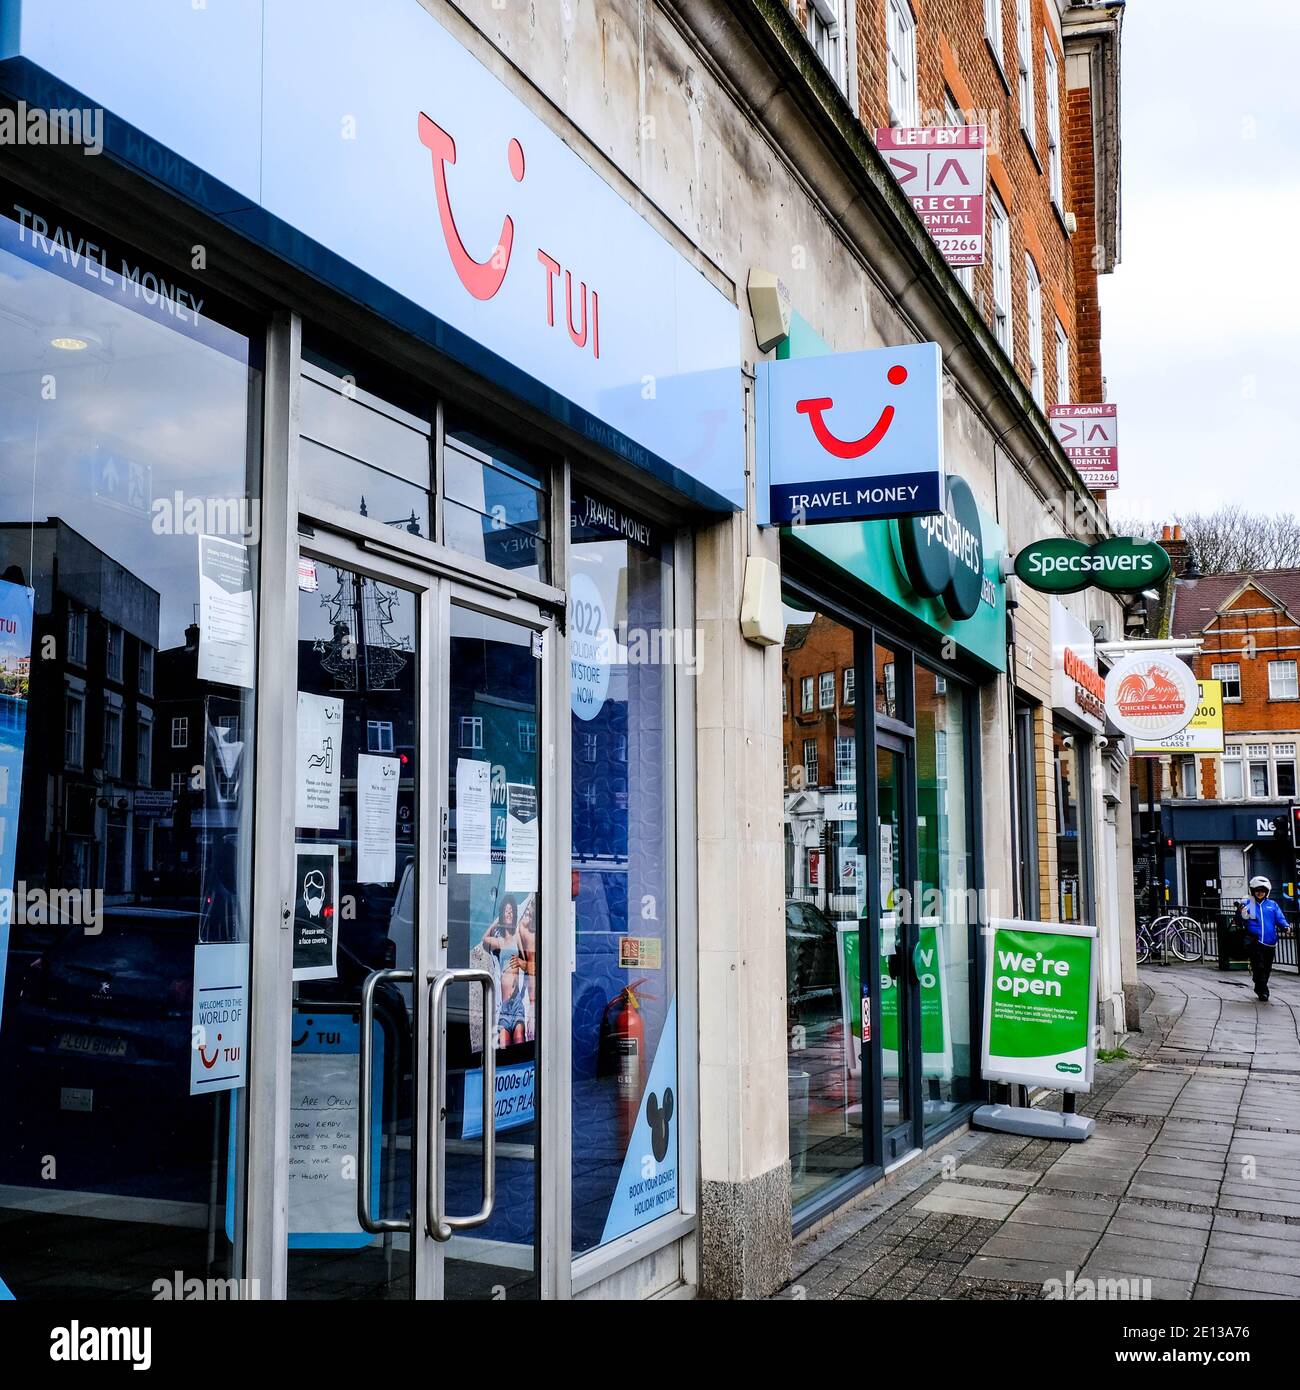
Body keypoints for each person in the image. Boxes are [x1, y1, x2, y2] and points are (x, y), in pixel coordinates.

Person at [1238, 875, 1290, 1002]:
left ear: (1267, 892)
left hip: (1270, 942)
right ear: (1252, 891)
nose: (1259, 893)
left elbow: (1279, 918)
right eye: (1257, 890)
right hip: (1254, 940)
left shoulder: (1272, 905)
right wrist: (1241, 913)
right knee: (1259, 966)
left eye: (1262, 890)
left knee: (1266, 967)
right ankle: (1263, 992)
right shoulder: (1248, 903)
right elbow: (1242, 921)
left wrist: (1286, 926)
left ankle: (1259, 986)